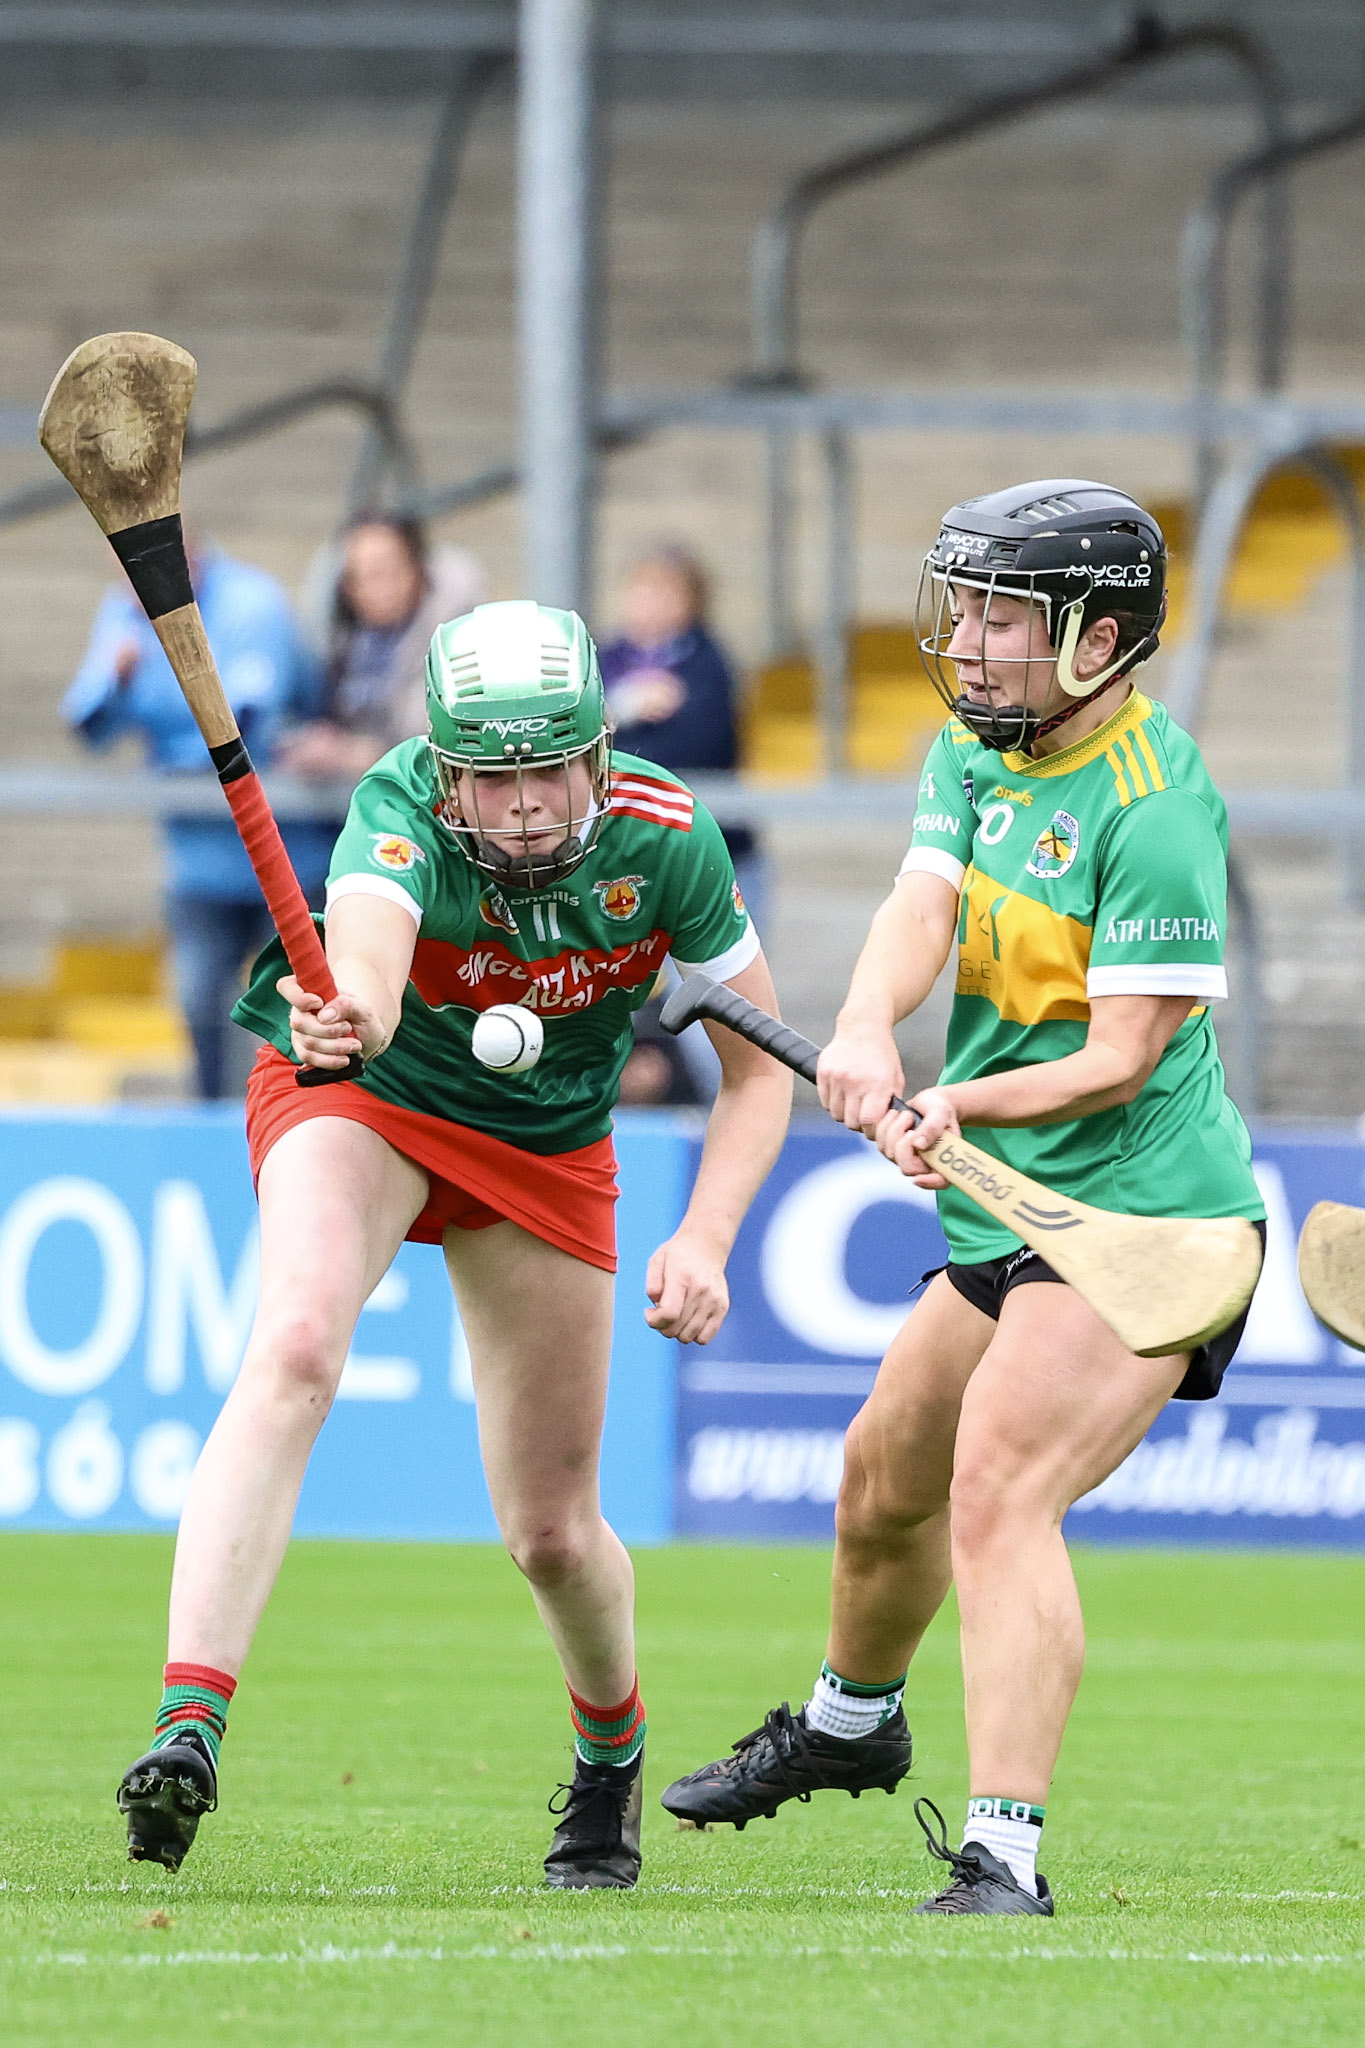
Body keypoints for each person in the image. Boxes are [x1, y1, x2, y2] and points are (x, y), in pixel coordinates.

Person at [115, 600, 792, 1891]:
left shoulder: (669, 838)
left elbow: (758, 1070)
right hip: (368, 1090)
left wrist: (706, 1237)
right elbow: (369, 962)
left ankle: (610, 1754)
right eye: (492, 778)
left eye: (551, 773)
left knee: (552, 1533)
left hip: (544, 1139)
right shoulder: (399, 804)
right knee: (297, 1342)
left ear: (599, 756)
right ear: (446, 770)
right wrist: (350, 1016)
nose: (525, 808)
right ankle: (188, 1721)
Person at [661, 479, 1267, 1916]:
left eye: (1007, 616)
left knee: (997, 1481)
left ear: (1099, 640)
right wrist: (866, 1024)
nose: (973, 642)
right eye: (971, 607)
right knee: (886, 1474)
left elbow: (1122, 1058)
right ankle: (851, 1725)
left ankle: (1005, 1852)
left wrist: (955, 1100)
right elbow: (920, 905)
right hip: (1008, 1208)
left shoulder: (1157, 805)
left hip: (1143, 1223)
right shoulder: (977, 746)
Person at [63, 538, 325, 1099]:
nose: (131, 592)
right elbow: (87, 724)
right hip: (199, 861)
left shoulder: (253, 604)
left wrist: (169, 765)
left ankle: (307, 1109)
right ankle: (212, 1118)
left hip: (287, 856)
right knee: (199, 1001)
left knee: (303, 1000)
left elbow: (244, 726)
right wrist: (119, 683)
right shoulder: (124, 608)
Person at [601, 546, 762, 1094]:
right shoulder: (606, 660)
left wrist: (628, 733)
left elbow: (692, 752)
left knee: (720, 1014)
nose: (648, 603)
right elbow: (592, 746)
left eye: (664, 592)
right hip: (629, 866)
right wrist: (628, 706)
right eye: (640, 589)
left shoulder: (709, 665)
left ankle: (726, 1110)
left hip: (719, 865)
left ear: (692, 601)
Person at [279, 513, 485, 782]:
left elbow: (438, 750)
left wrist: (357, 755)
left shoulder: (460, 655)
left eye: (384, 572)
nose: (372, 588)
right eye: (357, 576)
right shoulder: (338, 638)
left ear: (418, 573)